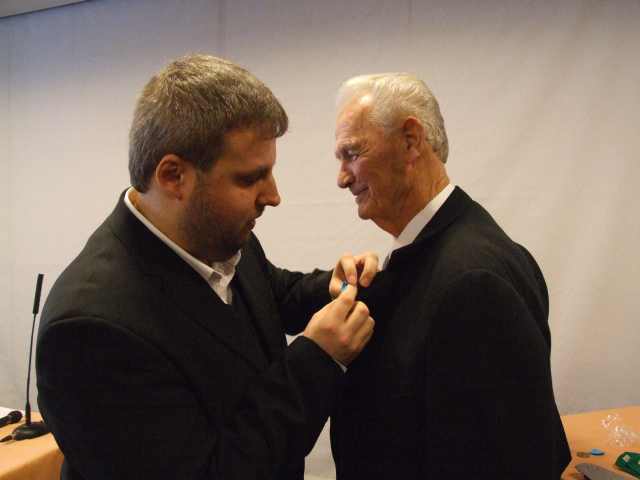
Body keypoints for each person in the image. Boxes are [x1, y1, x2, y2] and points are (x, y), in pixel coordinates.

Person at [35, 54, 377, 480]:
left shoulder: (218, 237)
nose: (273, 196)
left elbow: (273, 295)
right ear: (173, 176)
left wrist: (333, 285)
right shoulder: (89, 331)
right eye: (250, 178)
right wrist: (317, 360)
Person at [330, 73, 571, 479]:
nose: (342, 178)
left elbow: (506, 462)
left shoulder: (471, 281)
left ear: (410, 141)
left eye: (352, 153)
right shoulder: (441, 252)